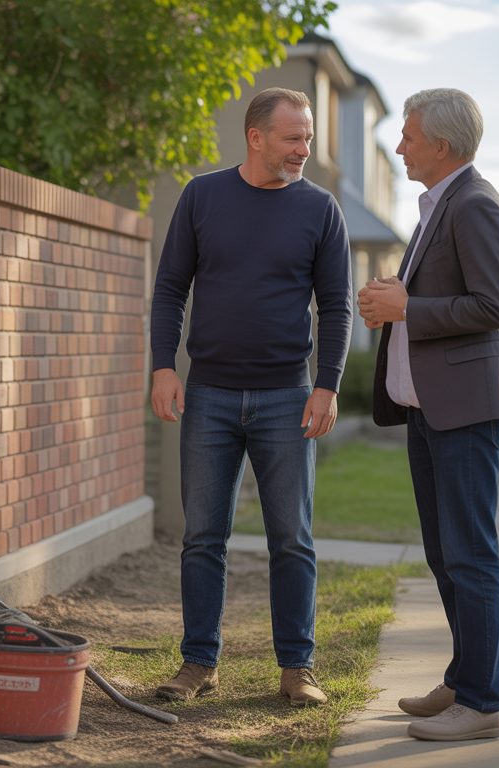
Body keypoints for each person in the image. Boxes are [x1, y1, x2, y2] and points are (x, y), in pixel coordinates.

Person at [149, 87, 353, 707]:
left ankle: (297, 668)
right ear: (256, 136)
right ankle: (197, 665)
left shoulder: (321, 209)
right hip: (208, 394)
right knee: (202, 537)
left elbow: (338, 305)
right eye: (294, 137)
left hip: (287, 397)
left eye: (309, 138)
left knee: (291, 537)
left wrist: (327, 384)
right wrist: (163, 366)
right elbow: (169, 290)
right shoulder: (202, 196)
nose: (304, 149)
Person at [357, 88, 499, 741]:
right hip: (431, 409)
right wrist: (389, 303)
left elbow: (493, 306)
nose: (399, 145)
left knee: (470, 555)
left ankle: (481, 703)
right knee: (444, 553)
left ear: (443, 144)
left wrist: (407, 309)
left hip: (465, 410)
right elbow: (434, 299)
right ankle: (465, 677)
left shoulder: (478, 206)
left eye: (407, 135)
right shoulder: (441, 206)